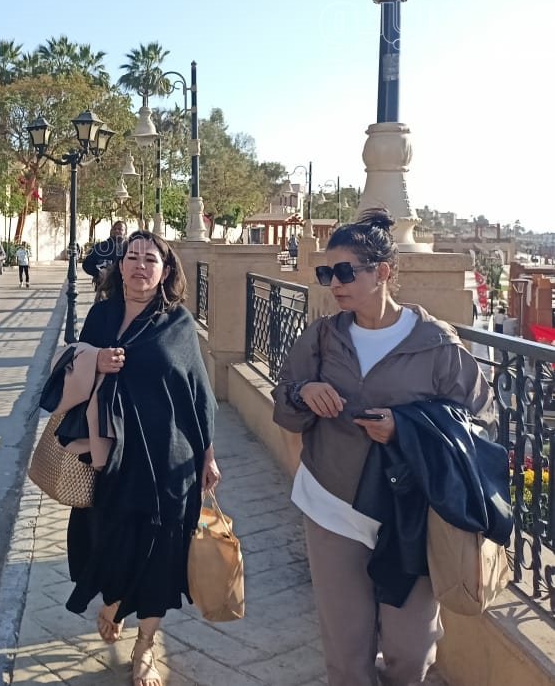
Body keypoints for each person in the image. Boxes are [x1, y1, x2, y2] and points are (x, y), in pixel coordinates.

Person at [273, 209, 492, 686]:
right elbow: (284, 404)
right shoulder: (322, 336)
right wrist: (304, 392)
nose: (335, 283)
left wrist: (405, 428)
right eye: (327, 273)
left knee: (410, 653)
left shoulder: (437, 345)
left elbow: (481, 423)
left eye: (346, 271)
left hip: (411, 515)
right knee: (346, 655)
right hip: (331, 504)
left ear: (383, 272)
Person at [44, 230, 219, 686]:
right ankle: (115, 600)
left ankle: (145, 646)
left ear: (165, 271)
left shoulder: (177, 322)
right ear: (120, 267)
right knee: (108, 537)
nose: (140, 265)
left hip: (168, 458)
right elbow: (71, 366)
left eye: (150, 259)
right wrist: (95, 361)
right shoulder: (101, 315)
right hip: (110, 456)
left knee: (161, 549)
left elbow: (199, 393)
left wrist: (208, 454)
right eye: (132, 257)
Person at [82, 221, 127, 286]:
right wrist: (98, 273)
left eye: (120, 229)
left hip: (125, 288)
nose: (117, 231)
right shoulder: (99, 247)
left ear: (125, 232)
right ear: (111, 231)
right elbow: (87, 264)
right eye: (114, 228)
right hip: (104, 288)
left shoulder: (130, 249)